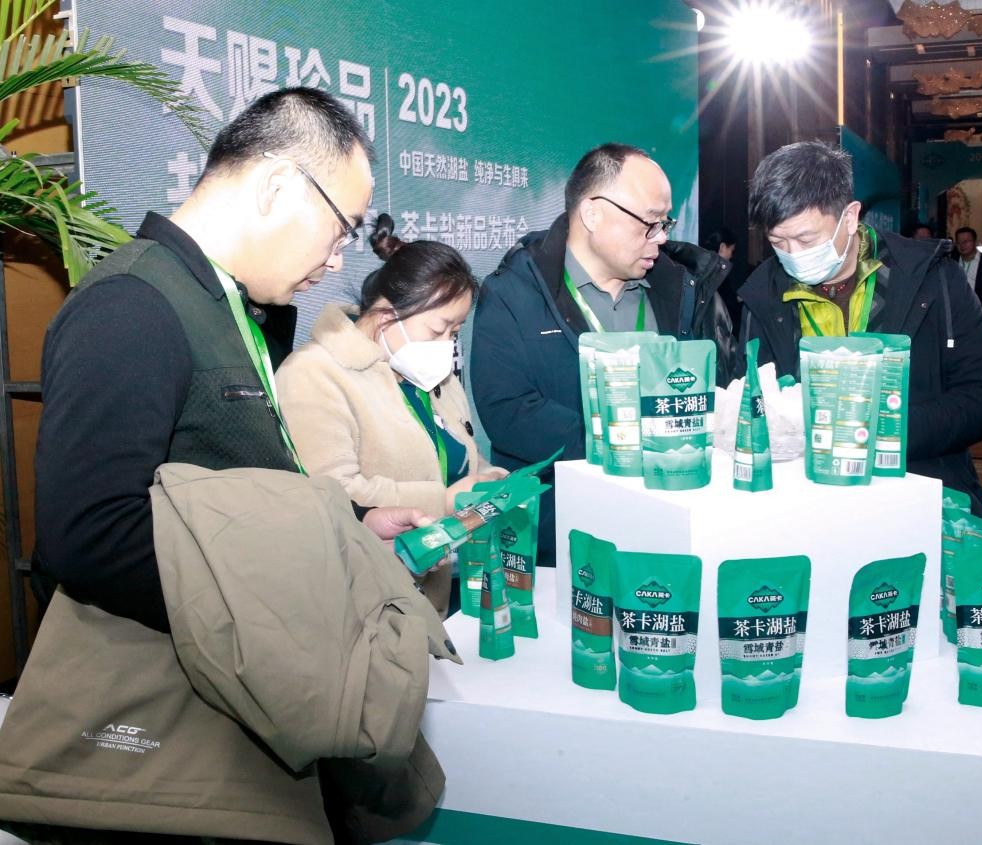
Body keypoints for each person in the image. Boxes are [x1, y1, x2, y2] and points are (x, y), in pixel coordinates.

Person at [19, 87, 432, 842]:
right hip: (175, 743)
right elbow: (89, 535)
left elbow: (237, 486)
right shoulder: (131, 306)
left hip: (241, 702)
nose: (337, 258)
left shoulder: (234, 306)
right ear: (277, 186)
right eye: (340, 228)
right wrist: (295, 593)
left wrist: (348, 526)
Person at [472, 142, 737, 561]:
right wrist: (619, 442)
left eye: (665, 222)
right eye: (650, 222)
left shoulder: (685, 290)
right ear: (593, 214)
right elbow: (507, 410)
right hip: (560, 536)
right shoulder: (514, 292)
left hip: (667, 528)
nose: (662, 237)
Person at [738, 140, 982, 514]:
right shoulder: (760, 296)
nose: (794, 254)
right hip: (806, 507)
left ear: (850, 217)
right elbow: (749, 402)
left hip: (917, 496)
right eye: (778, 242)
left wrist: (884, 433)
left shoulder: (931, 279)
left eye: (806, 239)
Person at [277, 213, 507, 612]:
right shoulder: (312, 374)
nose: (446, 345)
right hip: (370, 601)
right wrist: (444, 501)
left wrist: (486, 479)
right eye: (438, 330)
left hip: (449, 589)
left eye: (455, 333)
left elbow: (457, 452)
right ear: (387, 316)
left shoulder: (431, 373)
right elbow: (334, 494)